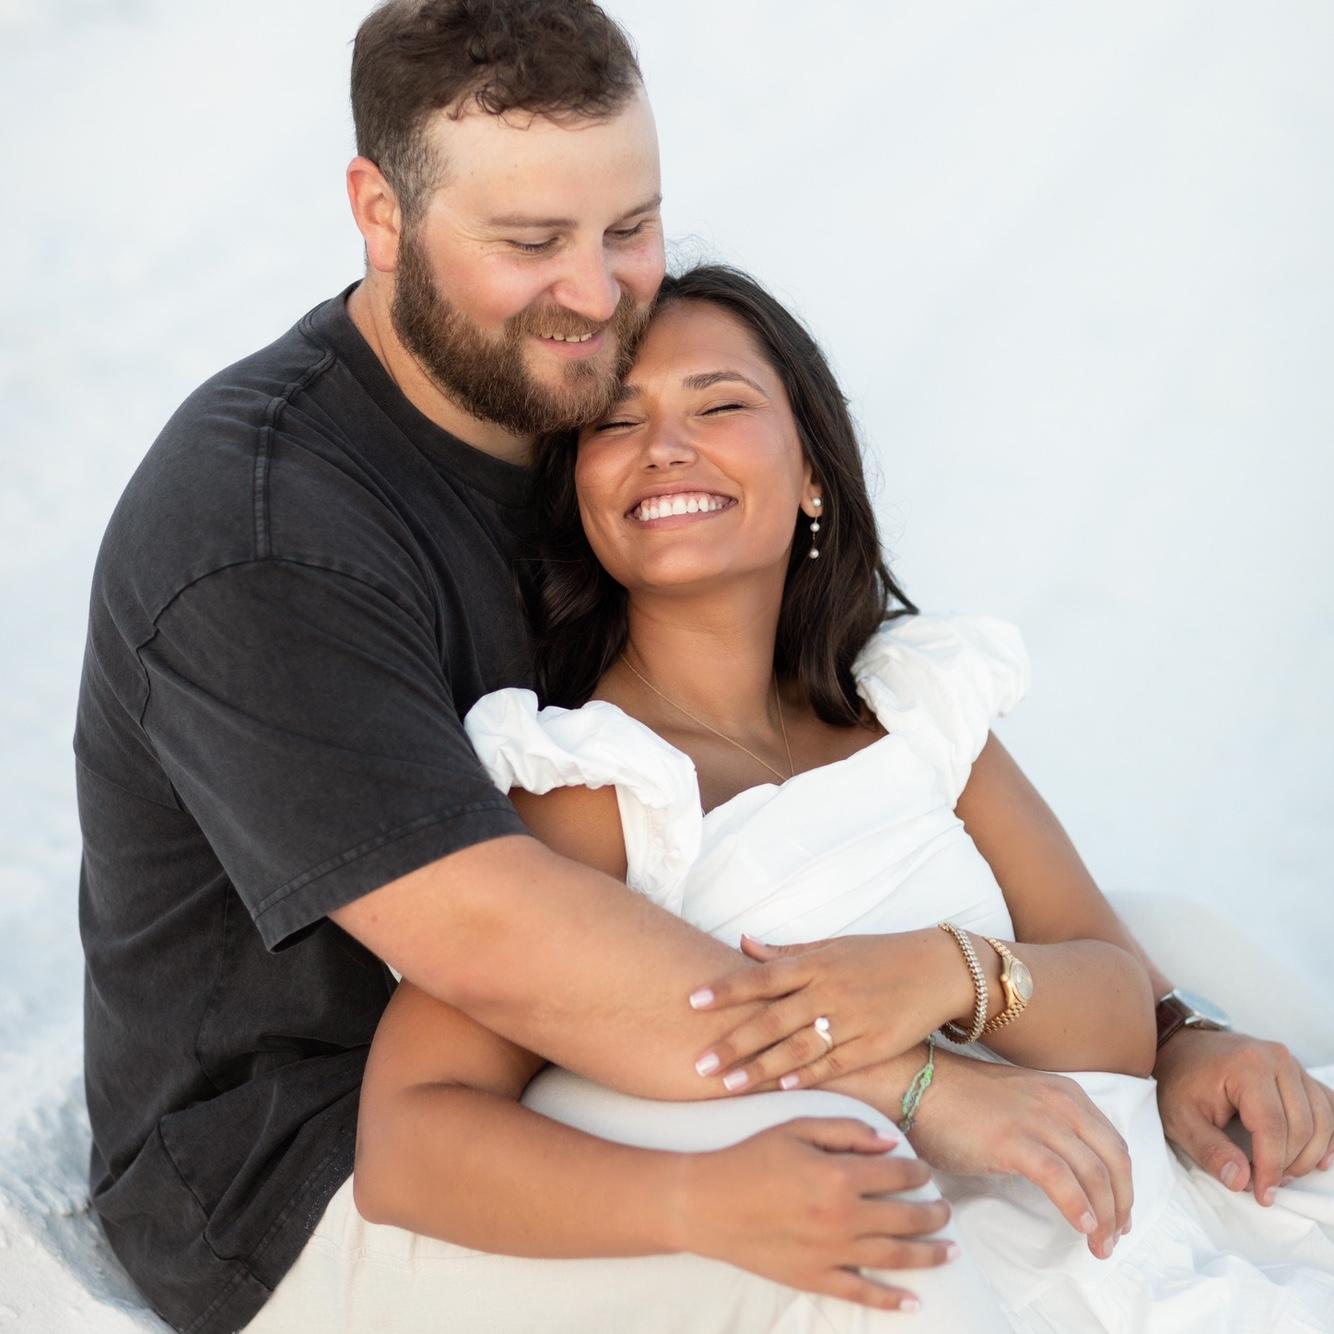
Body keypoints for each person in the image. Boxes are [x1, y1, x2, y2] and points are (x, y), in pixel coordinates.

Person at [72, 2, 1331, 1330]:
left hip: (638, 1030)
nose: (596, 295)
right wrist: (915, 1077)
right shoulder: (263, 536)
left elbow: (1062, 961)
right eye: (529, 243)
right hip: (322, 1166)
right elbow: (511, 949)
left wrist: (1167, 1029)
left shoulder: (554, 389)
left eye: (629, 227)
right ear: (379, 215)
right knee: (857, 1225)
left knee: (1180, 954)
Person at [310, 264, 1334, 1332]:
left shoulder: (909, 708)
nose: (665, 444)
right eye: (616, 419)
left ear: (811, 472)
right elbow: (412, 1143)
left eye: (719, 404)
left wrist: (941, 971)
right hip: (953, 1286)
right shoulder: (595, 790)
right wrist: (722, 1187)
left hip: (1167, 1221)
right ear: (580, 492)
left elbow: (1121, 1012)